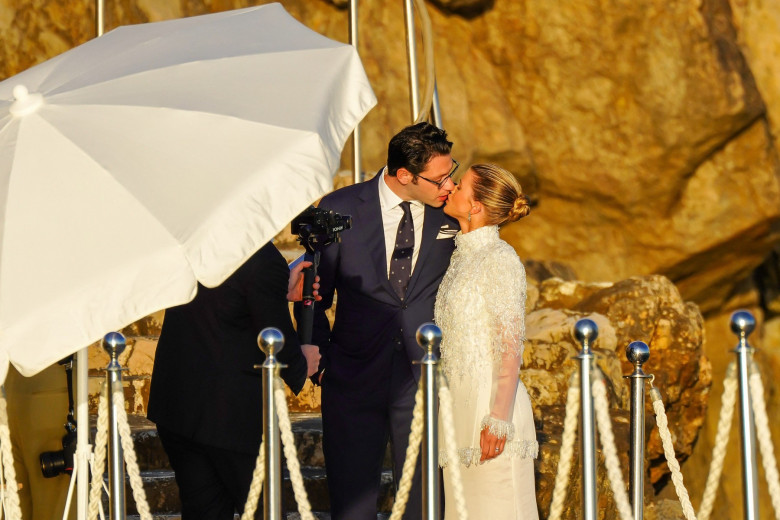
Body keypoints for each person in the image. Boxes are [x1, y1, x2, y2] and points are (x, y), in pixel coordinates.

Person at [307, 122, 459, 519]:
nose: (449, 185)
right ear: (404, 175)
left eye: (451, 172)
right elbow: (314, 290)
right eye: (440, 177)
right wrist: (320, 357)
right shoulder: (338, 208)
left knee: (424, 502)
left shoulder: (453, 218)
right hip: (352, 374)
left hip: (423, 376)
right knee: (352, 499)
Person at [147, 241, 320, 519]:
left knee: (203, 511)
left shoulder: (196, 241)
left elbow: (225, 299)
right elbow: (276, 340)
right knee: (267, 510)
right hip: (232, 418)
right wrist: (302, 363)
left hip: (178, 407)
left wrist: (279, 288)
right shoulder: (262, 258)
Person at [435, 163, 538, 519]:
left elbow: (509, 344)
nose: (449, 187)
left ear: (475, 205)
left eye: (459, 185)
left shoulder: (501, 259)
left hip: (491, 420)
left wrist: (498, 419)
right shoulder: (460, 259)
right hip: (457, 418)